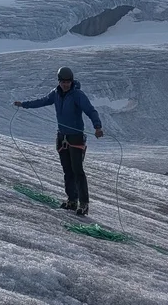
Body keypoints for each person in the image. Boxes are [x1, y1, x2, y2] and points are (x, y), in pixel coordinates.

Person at [14, 67, 103, 216]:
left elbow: (90, 110)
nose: (66, 84)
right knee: (68, 170)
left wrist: (97, 127)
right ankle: (72, 200)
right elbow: (42, 101)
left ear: (72, 81)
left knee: (77, 171)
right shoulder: (55, 94)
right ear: (59, 81)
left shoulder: (78, 95)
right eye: (63, 82)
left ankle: (84, 204)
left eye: (68, 82)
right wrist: (24, 104)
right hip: (62, 138)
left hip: (76, 138)